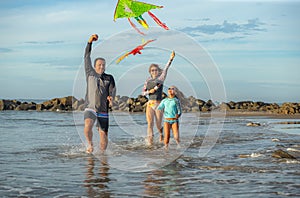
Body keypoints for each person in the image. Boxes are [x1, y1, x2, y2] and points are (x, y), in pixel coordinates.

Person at [83, 34, 116, 154]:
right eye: (99, 65)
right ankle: (90, 145)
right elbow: (86, 56)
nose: (101, 67)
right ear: (95, 66)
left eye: (103, 65)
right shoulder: (90, 73)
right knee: (87, 126)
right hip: (90, 107)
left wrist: (111, 97)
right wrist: (89, 42)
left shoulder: (109, 77)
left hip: (103, 109)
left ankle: (102, 156)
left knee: (103, 135)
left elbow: (112, 90)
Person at [142, 51, 175, 145]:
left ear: (158, 71)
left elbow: (166, 69)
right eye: (152, 70)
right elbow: (143, 93)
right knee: (150, 123)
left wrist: (171, 59)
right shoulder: (147, 80)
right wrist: (149, 92)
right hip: (150, 103)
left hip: (158, 104)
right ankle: (150, 142)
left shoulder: (161, 79)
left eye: (156, 70)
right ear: (150, 72)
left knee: (158, 124)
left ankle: (161, 135)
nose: (154, 71)